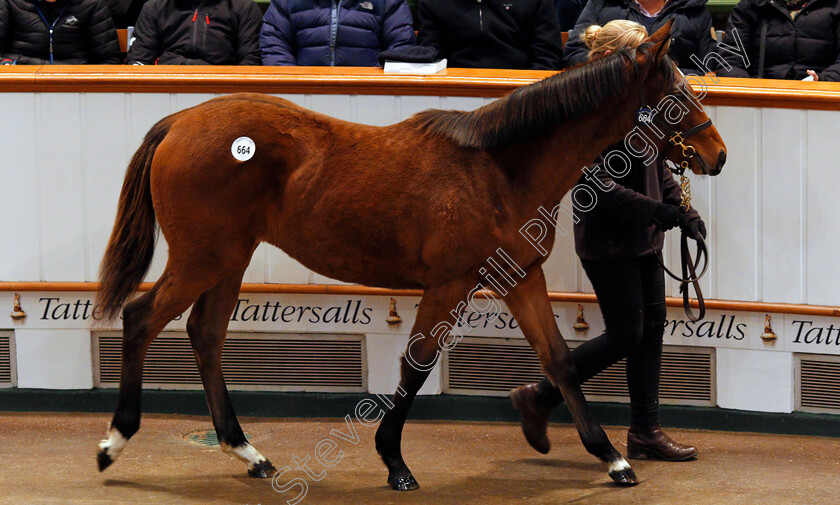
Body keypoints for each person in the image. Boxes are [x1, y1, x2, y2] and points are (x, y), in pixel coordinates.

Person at [510, 20, 704, 462]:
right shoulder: (586, 112)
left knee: (650, 333)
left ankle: (645, 431)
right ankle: (541, 395)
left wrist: (681, 208)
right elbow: (592, 186)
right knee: (625, 335)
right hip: (607, 240)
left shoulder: (640, 107)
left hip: (645, 237)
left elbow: (658, 167)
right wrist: (659, 211)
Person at [563, 0, 716, 73]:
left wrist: (665, 73)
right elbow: (574, 54)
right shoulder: (601, 4)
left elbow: (706, 69)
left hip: (668, 99)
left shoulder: (694, 10)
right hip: (608, 96)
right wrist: (612, 69)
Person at [260, 0, 415, 66]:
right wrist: (295, 86)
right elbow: (275, 45)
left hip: (370, 96)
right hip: (304, 98)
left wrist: (376, 87)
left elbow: (401, 47)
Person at [417, 0, 564, 70]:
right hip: (454, 96)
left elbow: (548, 58)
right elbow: (431, 58)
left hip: (523, 97)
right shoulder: (432, 3)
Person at [717, 0, 840, 81]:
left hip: (820, 97)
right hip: (760, 97)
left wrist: (823, 80)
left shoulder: (835, 6)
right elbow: (730, 59)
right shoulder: (751, 6)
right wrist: (748, 90)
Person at [126, 0, 262, 65]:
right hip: (166, 85)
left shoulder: (244, 8)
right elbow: (139, 60)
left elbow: (251, 61)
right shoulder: (154, 7)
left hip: (222, 90)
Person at [0, 0, 121, 64]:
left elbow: (110, 59)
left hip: (76, 82)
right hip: (20, 80)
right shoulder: (9, 2)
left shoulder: (92, 4)